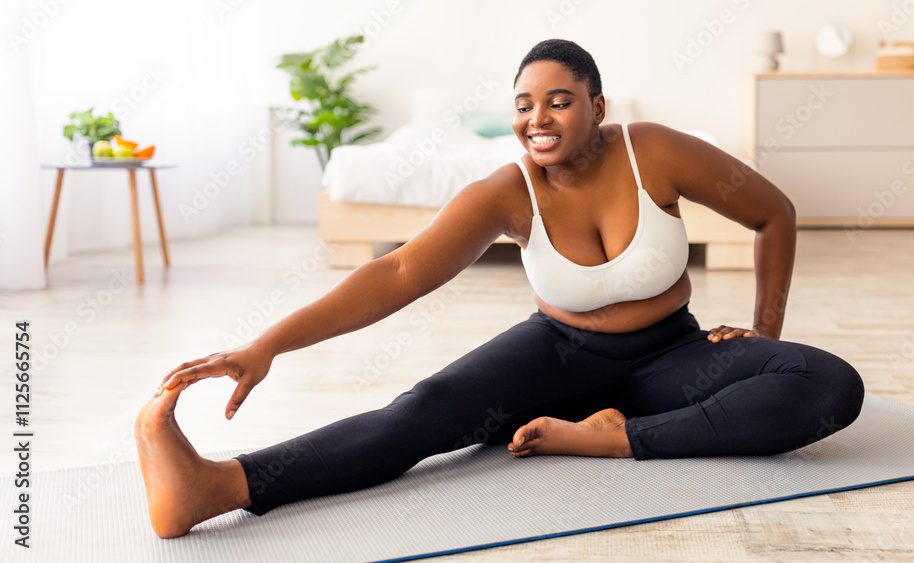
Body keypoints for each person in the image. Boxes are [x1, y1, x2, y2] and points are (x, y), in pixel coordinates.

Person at [135, 38, 865, 538]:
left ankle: (611, 439)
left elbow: (774, 213)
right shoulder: (506, 191)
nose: (537, 119)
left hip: (674, 358)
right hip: (555, 359)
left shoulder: (656, 151)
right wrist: (267, 346)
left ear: (598, 107)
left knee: (827, 383)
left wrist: (765, 331)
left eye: (559, 100)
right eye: (523, 104)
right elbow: (397, 271)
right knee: (420, 414)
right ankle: (217, 486)